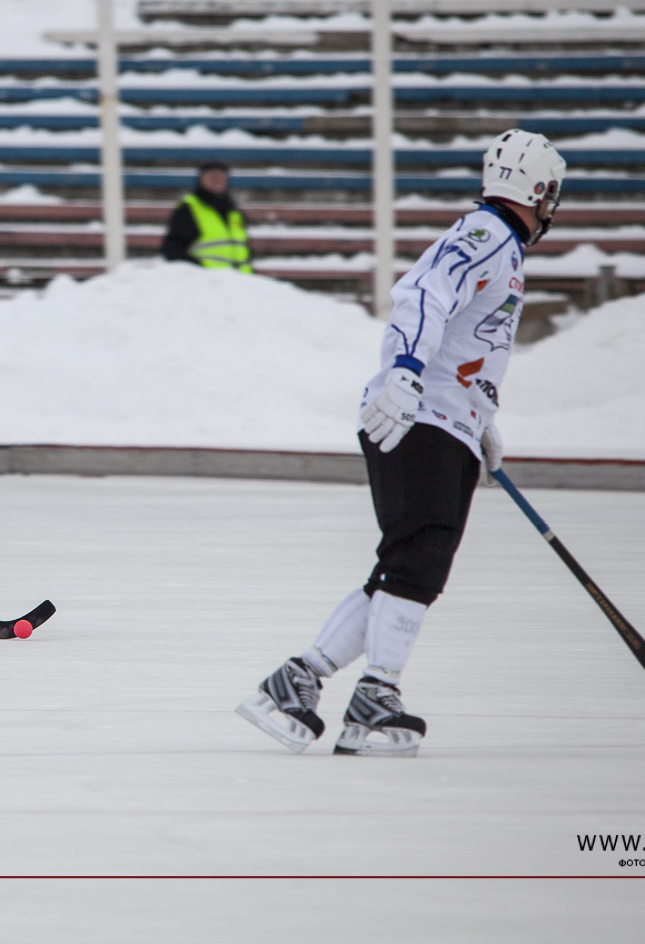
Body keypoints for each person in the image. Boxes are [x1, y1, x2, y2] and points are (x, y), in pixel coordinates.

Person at [236, 129, 566, 757]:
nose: (551, 208)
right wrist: (408, 374)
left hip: (444, 419)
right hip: (418, 416)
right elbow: (423, 296)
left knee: (404, 567)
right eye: (551, 195)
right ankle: (375, 696)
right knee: (418, 559)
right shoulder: (487, 235)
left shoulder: (499, 246)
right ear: (537, 191)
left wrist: (479, 416)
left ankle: (296, 681)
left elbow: (468, 342)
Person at [160, 159, 252, 273]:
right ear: (201, 179)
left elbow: (243, 250)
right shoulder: (188, 209)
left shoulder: (234, 211)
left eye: (221, 176)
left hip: (240, 280)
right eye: (212, 176)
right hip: (207, 281)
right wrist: (199, 272)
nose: (217, 179)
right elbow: (172, 250)